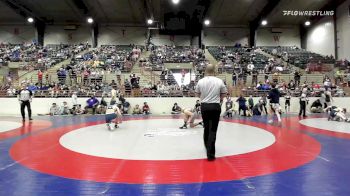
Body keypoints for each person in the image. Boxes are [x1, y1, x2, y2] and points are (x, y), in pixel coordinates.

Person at [195, 64, 227, 161]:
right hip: (215, 106)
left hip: (205, 106)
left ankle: (207, 146)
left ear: (205, 71)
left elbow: (197, 94)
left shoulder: (200, 81)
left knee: (206, 127)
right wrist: (218, 99)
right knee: (213, 129)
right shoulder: (219, 81)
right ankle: (211, 154)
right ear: (214, 70)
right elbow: (224, 94)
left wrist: (204, 97)